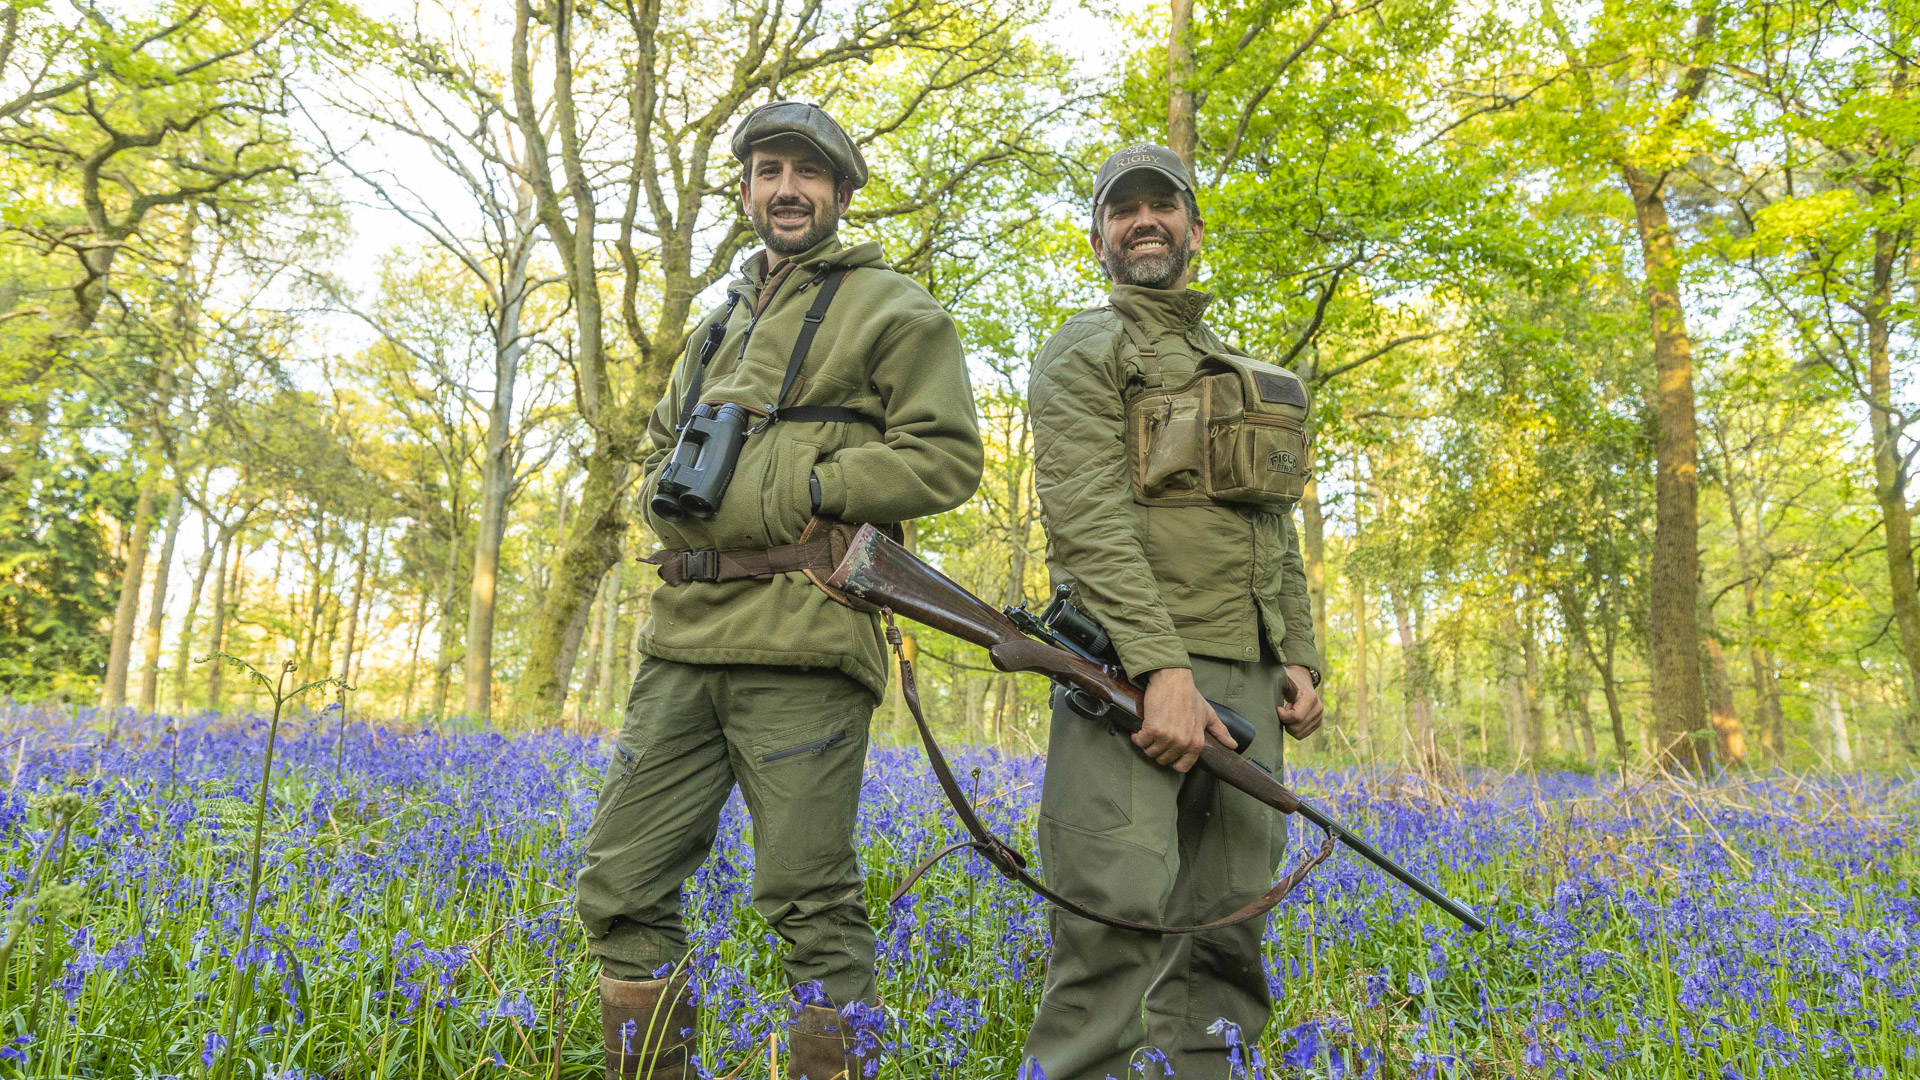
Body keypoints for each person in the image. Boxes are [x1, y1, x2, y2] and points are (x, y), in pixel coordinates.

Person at [576, 100, 984, 1080]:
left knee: (811, 905)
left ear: (840, 193)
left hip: (806, 638)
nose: (786, 189)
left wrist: (812, 485)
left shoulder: (897, 309)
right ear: (749, 190)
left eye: (808, 173)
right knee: (620, 886)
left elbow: (948, 456)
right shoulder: (715, 327)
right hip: (684, 637)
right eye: (767, 170)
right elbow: (664, 446)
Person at [1019, 143, 1327, 1079]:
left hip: (1249, 682)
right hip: (1131, 675)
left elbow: (1274, 534)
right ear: (1099, 237)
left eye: (1163, 206)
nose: (1143, 221)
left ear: (1195, 228)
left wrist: (1300, 658)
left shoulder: (1256, 379)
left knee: (1228, 939)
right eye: (1124, 210)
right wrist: (1162, 673)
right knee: (1110, 926)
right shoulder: (1086, 350)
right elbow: (1087, 524)